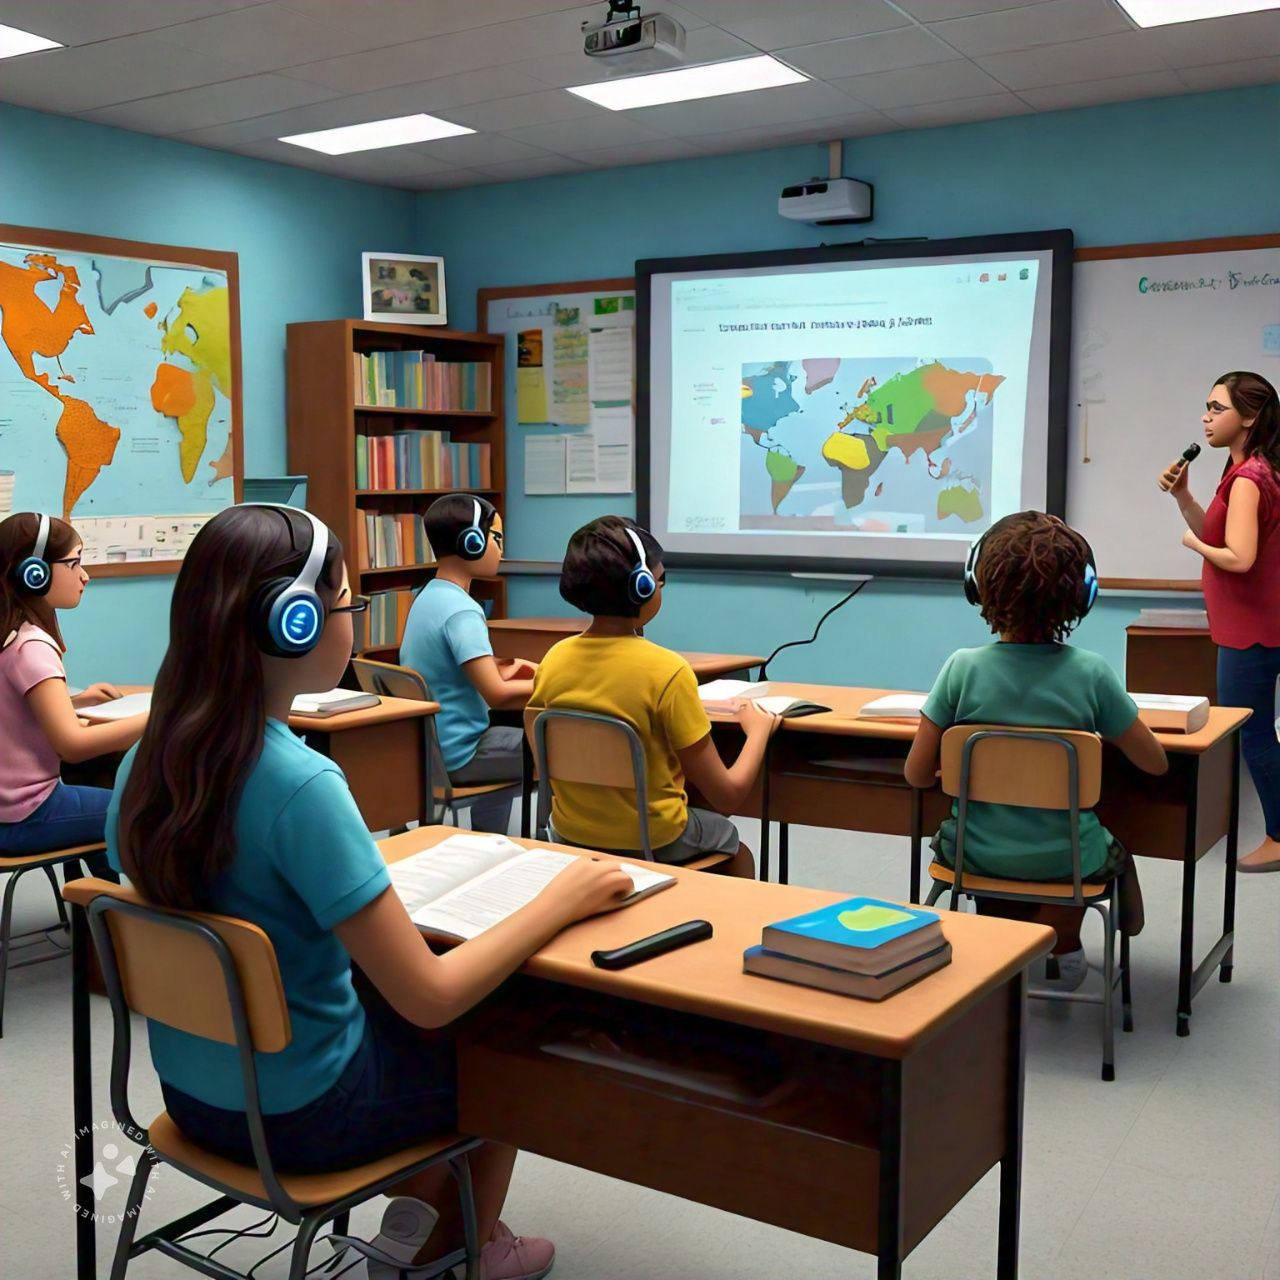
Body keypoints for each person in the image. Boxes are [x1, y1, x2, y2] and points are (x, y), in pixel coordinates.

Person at [109, 504, 634, 1278]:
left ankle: (419, 1224)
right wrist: (559, 899)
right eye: (348, 605)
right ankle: (472, 1244)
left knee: (391, 1000)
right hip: (307, 1119)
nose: (353, 620)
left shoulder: (144, 763)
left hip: (194, 1100)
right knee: (506, 1040)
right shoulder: (301, 784)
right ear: (292, 624)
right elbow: (429, 996)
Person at [905, 511, 1168, 990]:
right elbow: (1155, 762)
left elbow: (917, 775)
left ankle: (1001, 944)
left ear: (978, 587)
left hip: (972, 856)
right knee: (1104, 845)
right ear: (1082, 594)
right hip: (1070, 861)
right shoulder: (1092, 673)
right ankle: (1064, 943)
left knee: (998, 845)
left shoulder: (960, 669)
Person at [529, 516, 776, 875]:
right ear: (642, 587)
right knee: (734, 845)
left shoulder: (553, 660)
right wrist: (758, 731)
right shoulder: (667, 670)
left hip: (569, 831)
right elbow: (727, 797)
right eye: (660, 581)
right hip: (656, 837)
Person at [1160, 371, 1280, 872]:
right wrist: (1184, 498)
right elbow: (1217, 530)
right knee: (1259, 734)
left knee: (1253, 734)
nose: (1206, 419)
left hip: (1250, 631)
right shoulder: (1248, 471)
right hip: (1255, 624)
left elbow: (1239, 556)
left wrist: (1194, 547)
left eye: (1217, 409)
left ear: (1249, 417)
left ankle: (1278, 837)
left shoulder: (1250, 479)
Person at [0, 512, 146, 863]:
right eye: (74, 562)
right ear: (35, 574)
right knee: (150, 809)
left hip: (7, 811)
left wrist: (78, 701)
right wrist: (158, 717)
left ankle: (91, 912)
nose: (85, 575)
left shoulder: (9, 635)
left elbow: (15, 713)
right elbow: (72, 745)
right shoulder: (31, 646)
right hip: (25, 816)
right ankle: (110, 911)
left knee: (101, 785)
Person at [401, 495, 534, 833]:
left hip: (432, 748)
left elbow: (453, 670)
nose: (501, 549)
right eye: (497, 539)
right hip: (464, 753)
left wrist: (505, 666)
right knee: (558, 746)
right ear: (472, 542)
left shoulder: (427, 597)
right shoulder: (463, 610)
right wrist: (559, 686)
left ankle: (488, 842)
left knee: (517, 737)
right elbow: (497, 695)